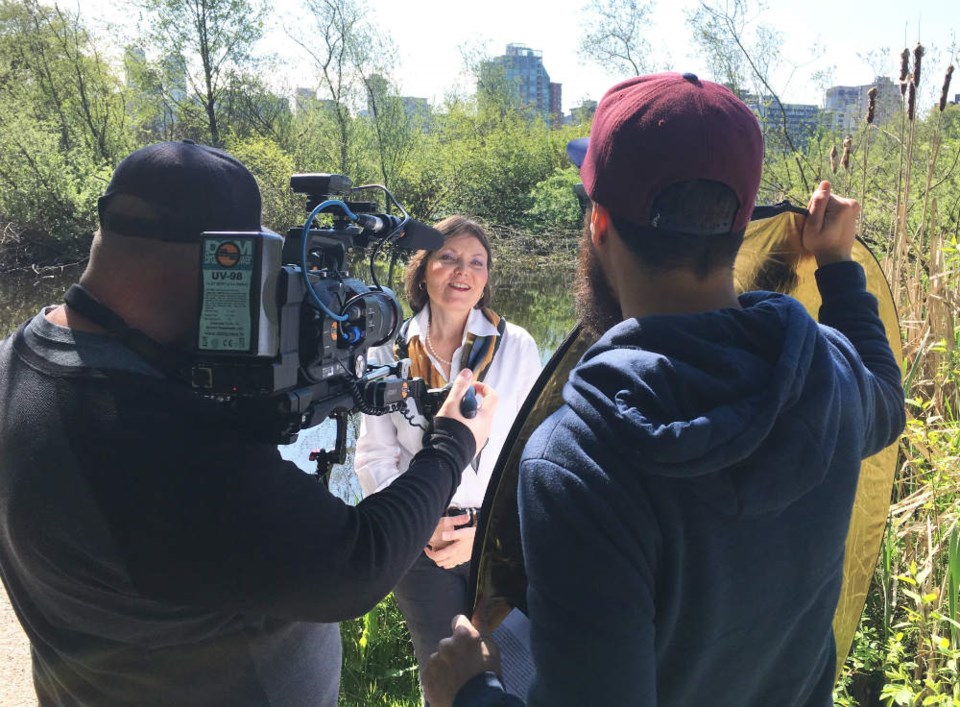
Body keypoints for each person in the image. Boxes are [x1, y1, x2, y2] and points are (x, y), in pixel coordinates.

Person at [422, 73, 906, 706]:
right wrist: (839, 265)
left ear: (597, 223)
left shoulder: (578, 462)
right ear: (738, 228)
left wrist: (468, 693)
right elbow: (888, 403)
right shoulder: (828, 379)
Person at [0, 140, 498, 706]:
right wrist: (453, 441)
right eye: (258, 268)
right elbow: (359, 563)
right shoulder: (160, 440)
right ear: (216, 258)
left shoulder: (20, 363)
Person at [354, 216, 542, 693]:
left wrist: (482, 532)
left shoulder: (515, 346)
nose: (463, 271)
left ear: (486, 278)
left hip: (495, 539)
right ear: (423, 272)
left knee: (514, 666)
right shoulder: (385, 349)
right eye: (449, 258)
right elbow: (375, 455)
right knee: (443, 672)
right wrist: (417, 524)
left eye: (476, 262)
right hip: (420, 544)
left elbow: (530, 453)